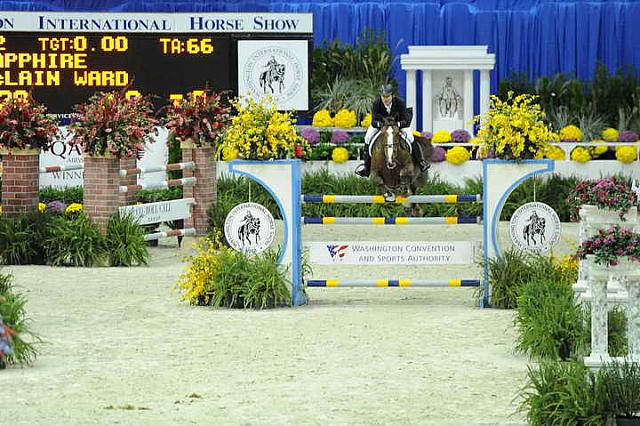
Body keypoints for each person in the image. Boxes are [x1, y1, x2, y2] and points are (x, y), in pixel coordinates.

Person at [355, 84, 429, 177]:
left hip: (398, 124)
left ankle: (421, 162)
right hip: (382, 126)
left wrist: (397, 124)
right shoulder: (377, 103)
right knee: (367, 137)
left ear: (392, 96)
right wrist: (380, 125)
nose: (385, 99)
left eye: (387, 96)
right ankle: (366, 167)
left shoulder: (400, 102)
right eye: (383, 97)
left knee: (410, 137)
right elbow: (373, 121)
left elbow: (405, 120)